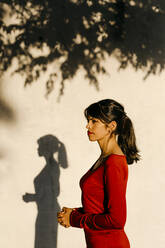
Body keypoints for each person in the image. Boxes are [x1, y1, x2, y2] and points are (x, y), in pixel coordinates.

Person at [57, 99, 140, 248]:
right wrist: (74, 213)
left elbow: (116, 220)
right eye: (88, 120)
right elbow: (99, 208)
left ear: (111, 126)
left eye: (94, 121)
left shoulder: (113, 163)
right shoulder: (105, 159)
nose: (87, 125)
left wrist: (75, 220)